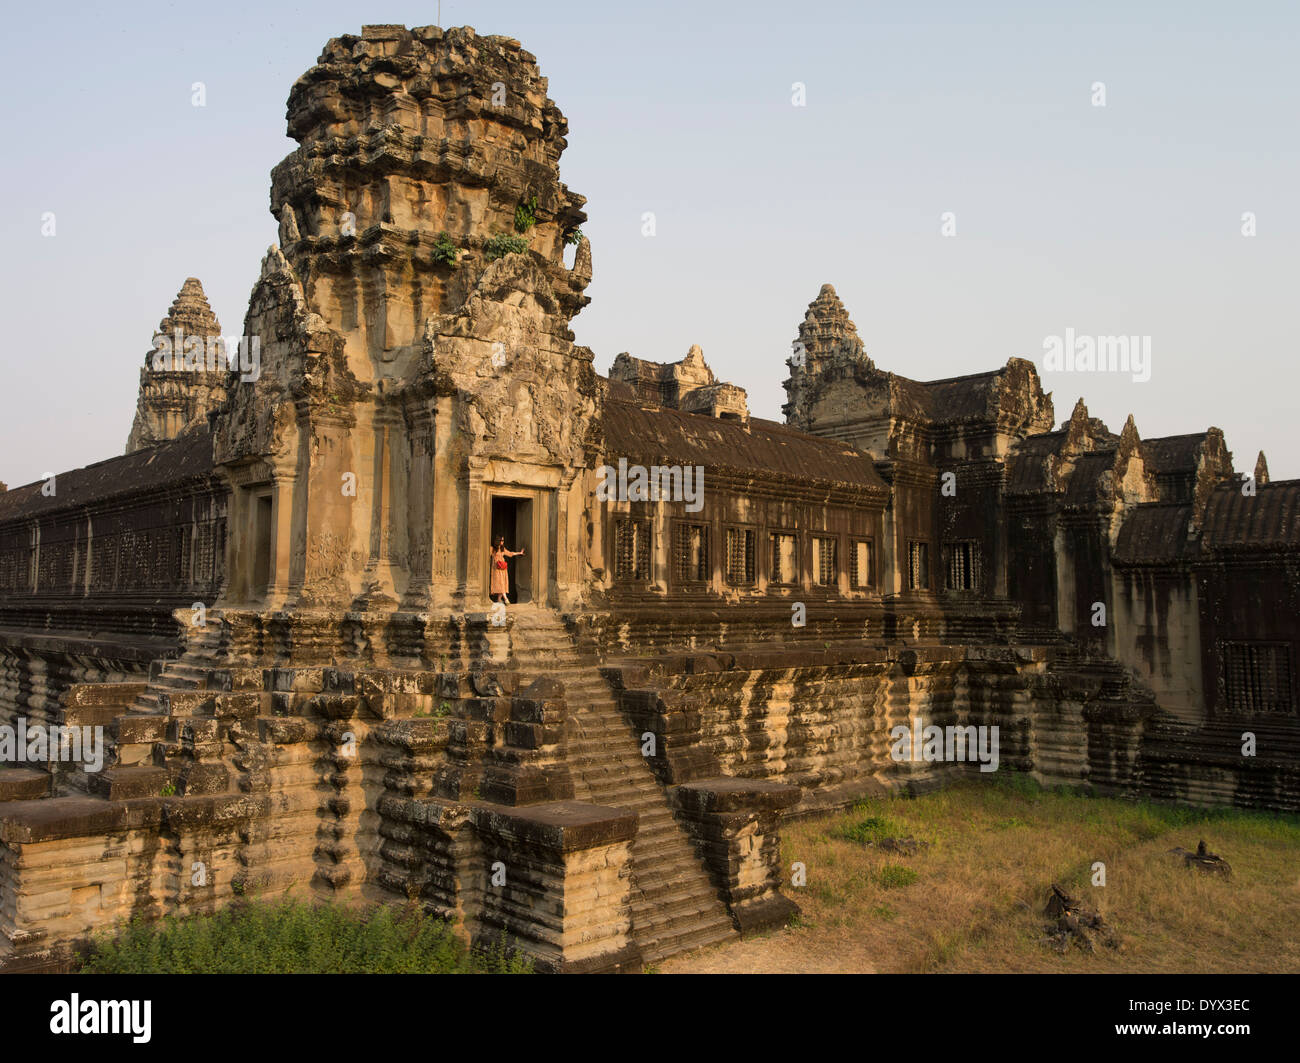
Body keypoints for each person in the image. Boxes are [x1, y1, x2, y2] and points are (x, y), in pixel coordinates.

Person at [490, 536, 524, 605]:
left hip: (502, 568)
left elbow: (510, 553)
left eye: (503, 540)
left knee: (502, 582)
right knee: (500, 583)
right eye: (501, 540)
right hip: (496, 569)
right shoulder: (492, 549)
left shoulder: (503, 549)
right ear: (498, 541)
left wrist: (519, 553)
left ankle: (499, 599)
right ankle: (506, 599)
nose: (503, 542)